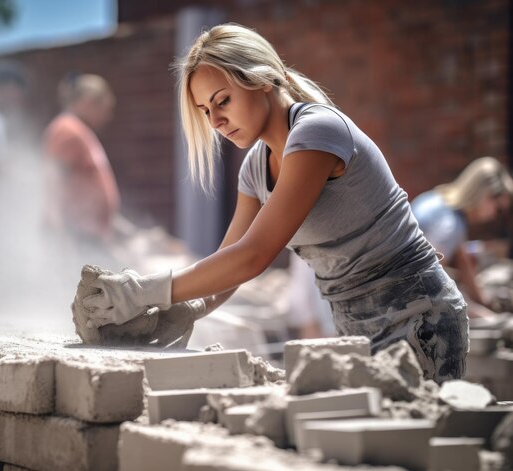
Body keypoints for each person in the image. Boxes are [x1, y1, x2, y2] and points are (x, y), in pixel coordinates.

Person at [73, 23, 468, 384]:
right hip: (352, 323)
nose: (216, 121)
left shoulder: (318, 131)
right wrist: (192, 307)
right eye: (205, 111)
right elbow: (231, 258)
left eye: (222, 101)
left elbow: (254, 256)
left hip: (417, 316)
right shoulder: (255, 169)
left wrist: (143, 291)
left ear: (263, 80)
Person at [411, 156, 513, 319]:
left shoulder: (438, 199)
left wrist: (484, 301)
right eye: (498, 208)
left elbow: (462, 259)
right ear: (484, 195)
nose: (494, 215)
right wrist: (485, 316)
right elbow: (432, 282)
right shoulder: (451, 223)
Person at [43, 73, 120, 241]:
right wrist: (53, 218)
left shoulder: (79, 130)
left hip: (89, 232)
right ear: (88, 102)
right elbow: (53, 172)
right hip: (77, 233)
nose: (108, 117)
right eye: (104, 109)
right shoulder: (67, 129)